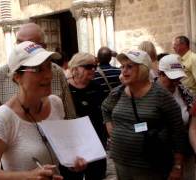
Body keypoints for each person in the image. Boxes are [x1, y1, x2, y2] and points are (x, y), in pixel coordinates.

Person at [0, 41, 86, 180]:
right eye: (38, 69)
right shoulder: (3, 118)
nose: (48, 75)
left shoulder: (56, 104)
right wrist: (28, 176)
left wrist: (72, 161)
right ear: (17, 77)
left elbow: (59, 152)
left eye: (49, 67)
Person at [101, 49, 187, 179]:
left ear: (142, 69)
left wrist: (177, 166)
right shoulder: (118, 92)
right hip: (120, 163)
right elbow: (105, 108)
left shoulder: (161, 95)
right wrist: (112, 131)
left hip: (151, 166)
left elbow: (177, 132)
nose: (124, 71)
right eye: (122, 66)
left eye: (129, 67)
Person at [0, 22, 76, 120]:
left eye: (30, 44)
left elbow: (69, 115)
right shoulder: (1, 75)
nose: (23, 48)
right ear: (16, 77)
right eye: (19, 43)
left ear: (44, 46)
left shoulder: (57, 72)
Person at [64, 52, 107, 180]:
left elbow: (104, 113)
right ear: (75, 68)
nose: (93, 69)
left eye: (95, 66)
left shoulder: (97, 87)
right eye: (88, 67)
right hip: (74, 144)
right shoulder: (65, 88)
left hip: (96, 142)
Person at [158, 54, 195, 180]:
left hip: (185, 151)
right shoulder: (150, 94)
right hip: (161, 154)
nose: (176, 81)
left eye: (178, 77)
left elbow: (192, 124)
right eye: (172, 78)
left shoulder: (184, 91)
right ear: (160, 74)